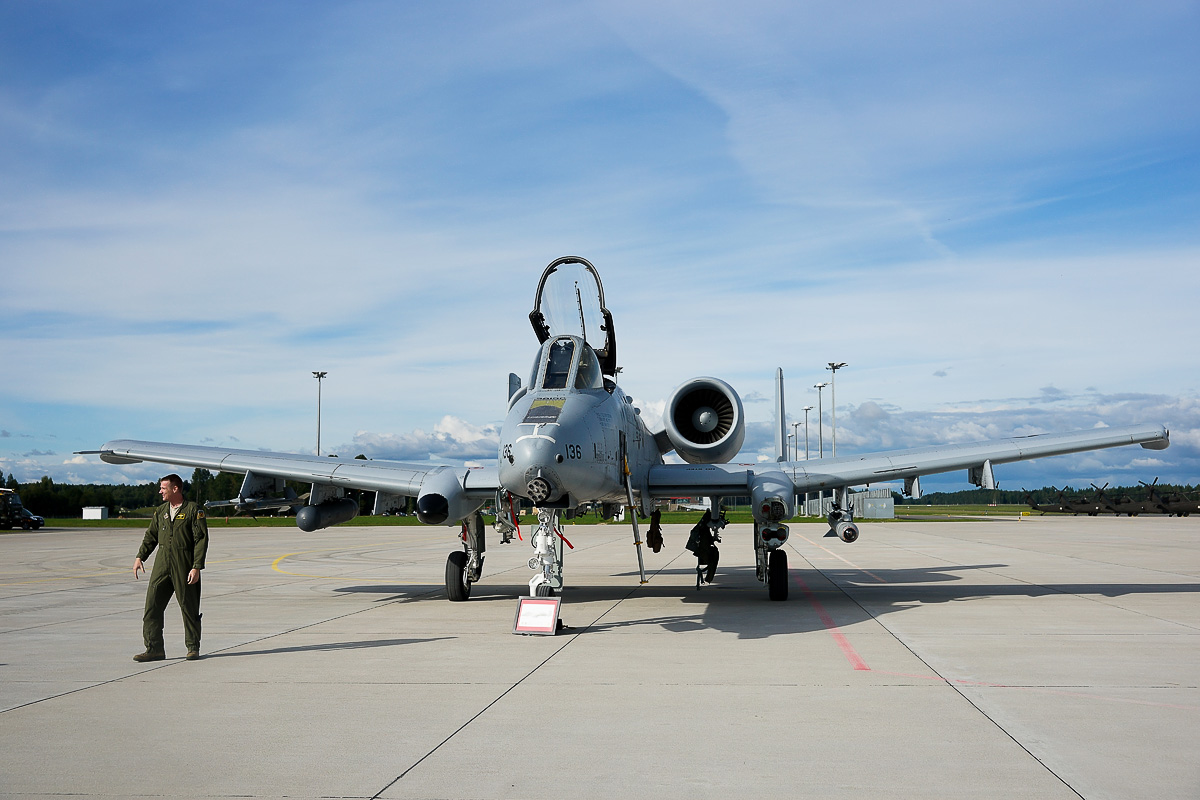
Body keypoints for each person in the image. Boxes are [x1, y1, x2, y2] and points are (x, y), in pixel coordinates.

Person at [132, 474, 209, 662]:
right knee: (152, 606)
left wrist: (196, 566)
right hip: (162, 562)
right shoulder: (161, 511)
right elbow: (151, 535)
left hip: (184, 563)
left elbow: (201, 540)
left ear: (175, 489)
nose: (160, 491)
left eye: (163, 488)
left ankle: (192, 647)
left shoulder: (193, 510)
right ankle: (154, 648)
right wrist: (140, 556)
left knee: (188, 606)